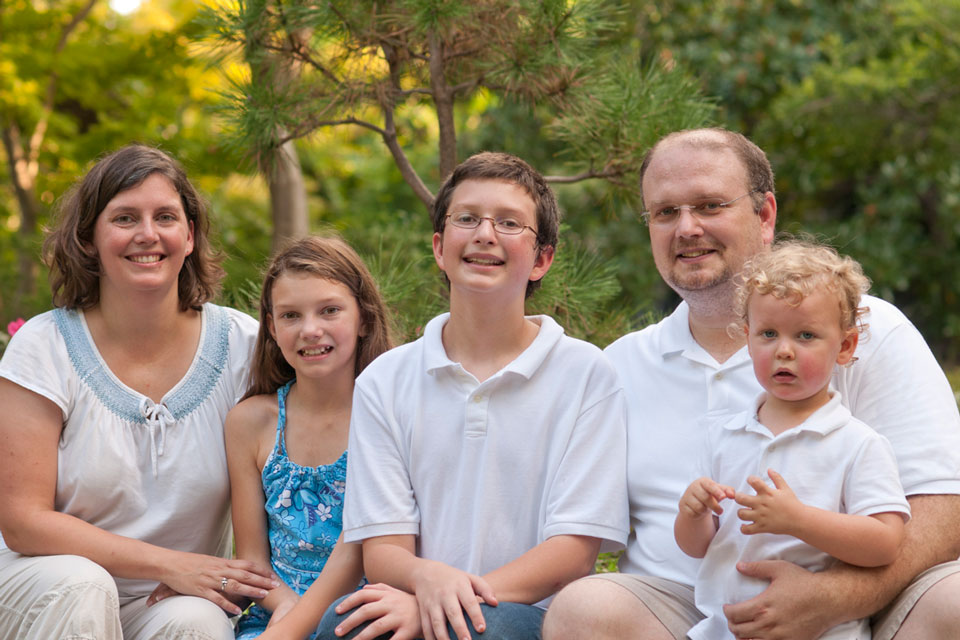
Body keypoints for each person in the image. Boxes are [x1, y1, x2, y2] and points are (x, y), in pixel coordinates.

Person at [542, 128, 960, 640]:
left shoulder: (866, 329)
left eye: (710, 205)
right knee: (586, 609)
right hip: (690, 613)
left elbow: (944, 508)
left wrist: (832, 598)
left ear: (764, 216)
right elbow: (577, 529)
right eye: (665, 212)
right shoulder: (620, 366)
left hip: (865, 610)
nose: (687, 228)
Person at [315, 151, 629, 640]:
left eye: (508, 223)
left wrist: (448, 604)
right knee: (347, 624)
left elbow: (572, 552)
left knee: (482, 633)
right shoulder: (384, 380)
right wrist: (430, 585)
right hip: (419, 595)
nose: (485, 234)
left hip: (530, 616)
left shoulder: (587, 374)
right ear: (440, 247)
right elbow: (384, 551)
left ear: (542, 259)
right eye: (467, 219)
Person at [0, 144, 277, 639]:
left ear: (189, 236)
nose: (147, 235)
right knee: (83, 586)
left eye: (165, 217)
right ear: (88, 239)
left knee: (199, 622)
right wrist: (169, 563)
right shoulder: (44, 346)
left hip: (171, 597)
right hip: (44, 582)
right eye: (124, 218)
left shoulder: (243, 347)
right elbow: (23, 521)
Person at [674, 240, 910, 639]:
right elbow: (698, 547)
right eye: (768, 334)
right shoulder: (724, 435)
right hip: (725, 630)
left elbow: (886, 543)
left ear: (846, 346)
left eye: (805, 335)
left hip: (822, 632)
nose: (784, 351)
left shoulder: (856, 443)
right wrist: (692, 513)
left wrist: (797, 520)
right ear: (747, 339)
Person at [228, 235, 393, 639]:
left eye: (330, 310)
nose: (310, 330)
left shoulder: (388, 413)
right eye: (290, 316)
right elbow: (252, 559)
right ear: (270, 325)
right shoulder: (251, 422)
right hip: (275, 616)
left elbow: (362, 551)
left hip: (363, 617)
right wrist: (287, 607)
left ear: (364, 317)